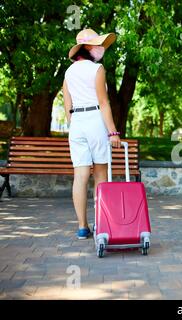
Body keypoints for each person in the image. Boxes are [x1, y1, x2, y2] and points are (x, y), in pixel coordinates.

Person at [63, 28, 121, 239]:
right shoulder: (97, 69)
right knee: (100, 174)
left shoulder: (68, 72)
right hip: (95, 120)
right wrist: (113, 131)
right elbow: (104, 102)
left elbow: (67, 105)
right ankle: (101, 223)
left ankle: (82, 226)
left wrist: (75, 124)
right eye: (97, 44)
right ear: (88, 48)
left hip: (77, 123)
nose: (100, 48)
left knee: (80, 176)